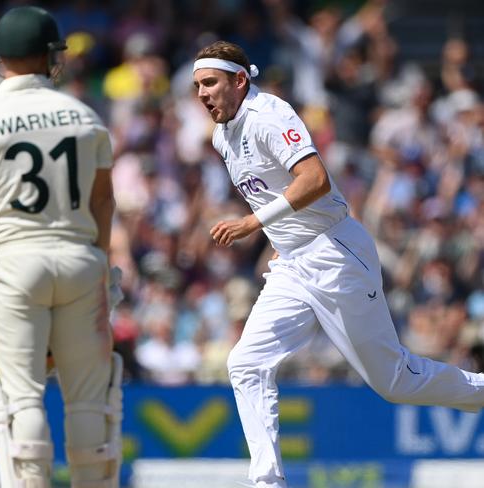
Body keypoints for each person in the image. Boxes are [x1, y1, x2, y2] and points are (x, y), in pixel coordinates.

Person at [192, 40, 484, 488]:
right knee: (245, 364)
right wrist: (277, 236)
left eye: (210, 82)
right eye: (197, 86)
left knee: (395, 382)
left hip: (334, 255)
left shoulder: (269, 114)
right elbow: (272, 191)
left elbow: (315, 179)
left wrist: (253, 223)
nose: (202, 93)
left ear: (239, 80)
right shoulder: (220, 135)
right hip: (292, 264)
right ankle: (268, 482)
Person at [0, 6, 121, 488]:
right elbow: (103, 200)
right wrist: (105, 268)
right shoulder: (86, 116)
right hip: (81, 262)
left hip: (17, 265)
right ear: (51, 56)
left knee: (20, 400)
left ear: (0, 58)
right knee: (87, 401)